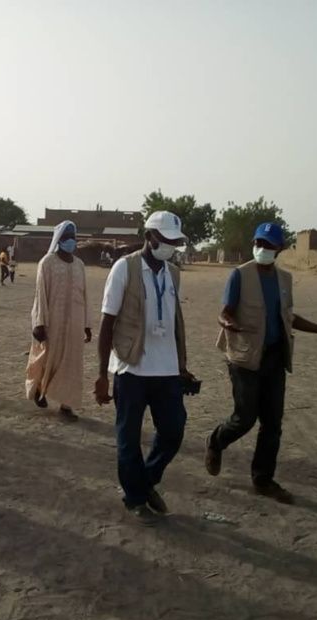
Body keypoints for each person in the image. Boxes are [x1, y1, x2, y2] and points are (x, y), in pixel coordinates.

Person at [205, 222, 317, 503]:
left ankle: (263, 479)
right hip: (245, 358)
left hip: (274, 358)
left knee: (272, 423)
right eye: (259, 243)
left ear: (280, 250)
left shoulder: (284, 280)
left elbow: (289, 317)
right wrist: (229, 323)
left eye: (269, 245)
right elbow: (223, 312)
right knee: (244, 418)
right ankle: (216, 441)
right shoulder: (239, 275)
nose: (262, 249)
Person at [95, 211, 197, 525]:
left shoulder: (173, 273)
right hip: (131, 367)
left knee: (173, 430)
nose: (170, 246)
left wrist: (181, 366)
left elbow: (174, 320)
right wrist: (101, 374)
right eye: (165, 240)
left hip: (166, 369)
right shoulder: (124, 268)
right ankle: (135, 497)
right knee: (128, 438)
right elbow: (107, 322)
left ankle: (145, 481)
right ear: (149, 236)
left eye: (175, 242)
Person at [25, 221, 92, 421]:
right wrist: (39, 322)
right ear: (59, 240)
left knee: (72, 363)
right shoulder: (47, 262)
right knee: (47, 358)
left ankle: (66, 404)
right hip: (51, 321)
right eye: (66, 237)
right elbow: (40, 294)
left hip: (75, 323)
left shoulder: (80, 265)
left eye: (73, 236)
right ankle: (38, 388)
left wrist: (87, 324)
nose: (70, 241)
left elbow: (85, 294)